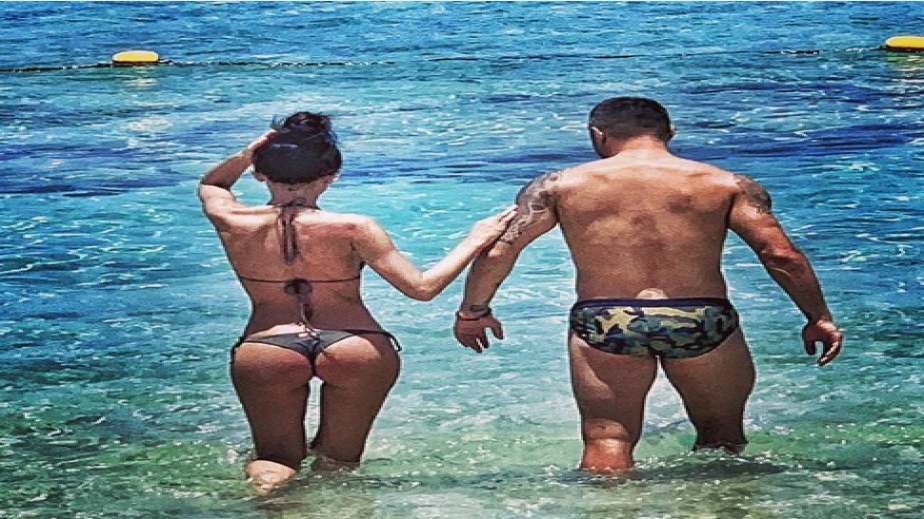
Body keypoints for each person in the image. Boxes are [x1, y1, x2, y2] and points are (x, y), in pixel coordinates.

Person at [453, 96, 843, 474]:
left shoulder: (558, 186)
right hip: (701, 317)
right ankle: (721, 505)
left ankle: (613, 507)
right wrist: (818, 316)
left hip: (606, 319)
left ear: (598, 134)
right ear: (670, 131)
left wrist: (473, 311)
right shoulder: (726, 184)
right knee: (722, 439)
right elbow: (780, 255)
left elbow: (502, 250)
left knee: (608, 440)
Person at [199, 111, 514, 492]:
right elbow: (422, 288)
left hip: (268, 346)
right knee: (339, 464)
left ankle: (272, 505)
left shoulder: (232, 220)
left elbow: (213, 183)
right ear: (331, 176)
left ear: (260, 173)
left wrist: (251, 152)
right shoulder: (354, 227)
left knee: (275, 460)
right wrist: (475, 239)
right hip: (355, 345)